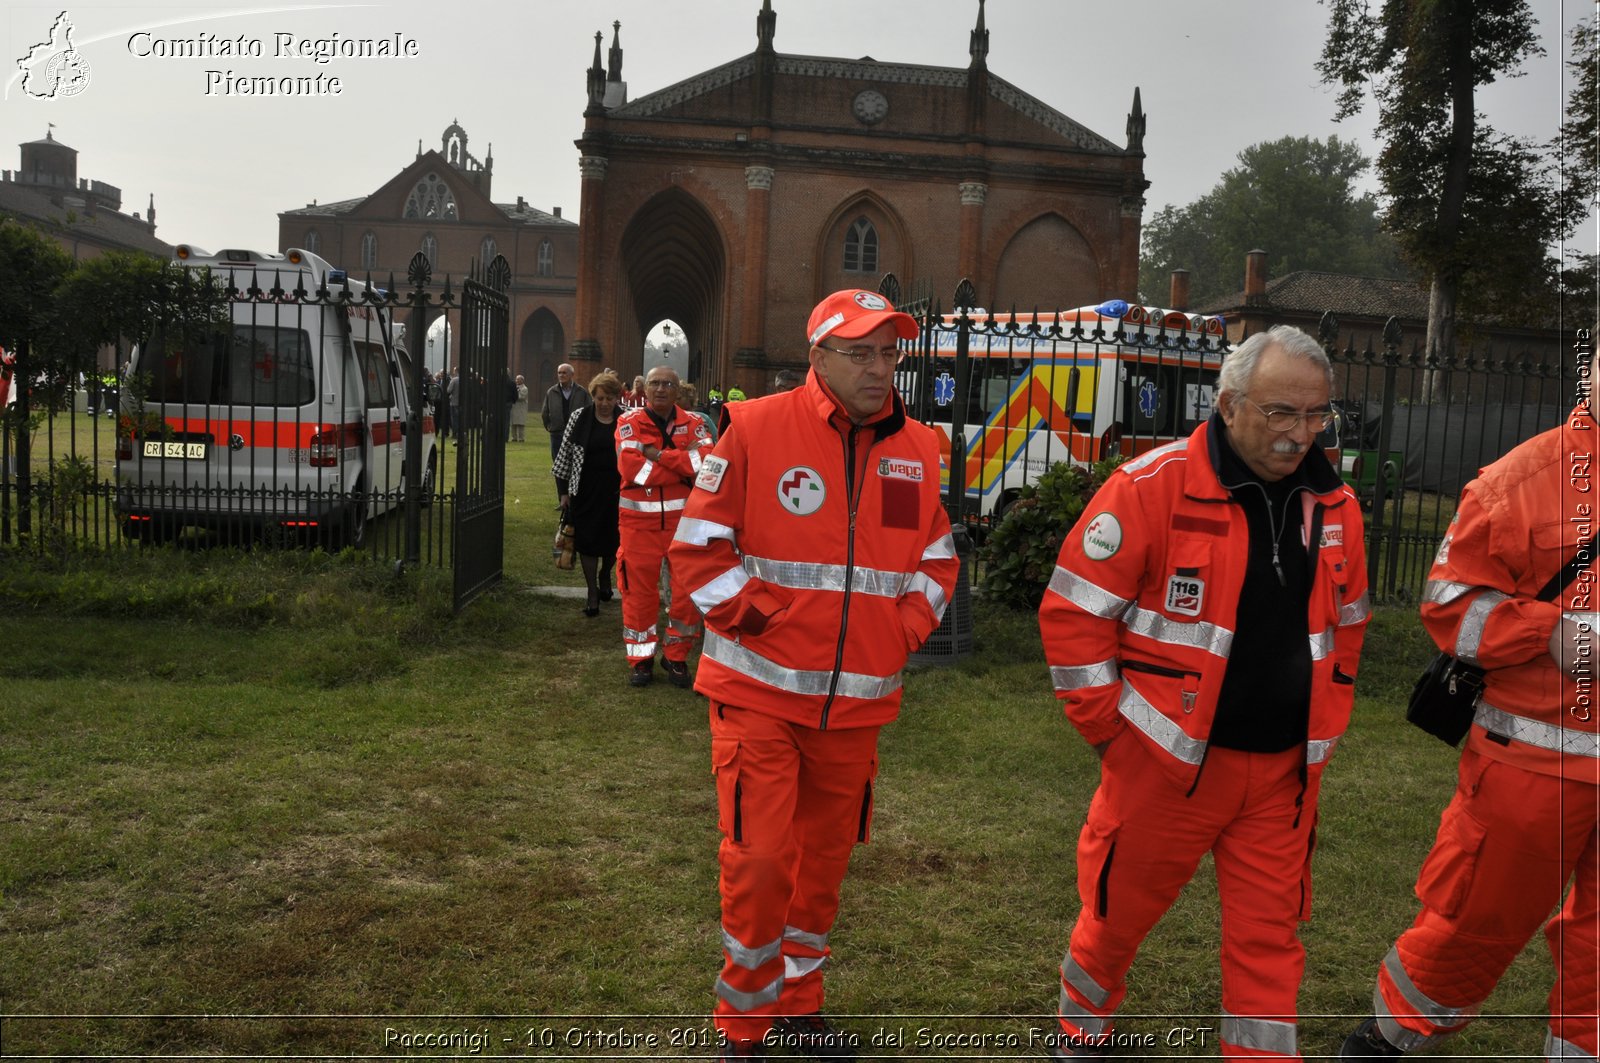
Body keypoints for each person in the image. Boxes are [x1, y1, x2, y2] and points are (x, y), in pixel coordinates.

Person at [1038, 324, 1370, 1060]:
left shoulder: (1337, 504)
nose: (1300, 435)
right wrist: (1113, 735)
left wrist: (1327, 719)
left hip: (1283, 775)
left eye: (1317, 415)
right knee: (1116, 912)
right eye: (1280, 413)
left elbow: (1349, 624)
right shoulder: (1150, 487)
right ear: (1228, 404)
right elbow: (1073, 614)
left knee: (1268, 941)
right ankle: (1080, 1035)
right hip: (1163, 763)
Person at [668, 289, 958, 1060]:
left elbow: (936, 558)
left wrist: (901, 631)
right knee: (761, 864)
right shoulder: (755, 428)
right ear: (818, 358)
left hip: (857, 706)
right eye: (860, 352)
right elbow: (699, 549)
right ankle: (743, 1029)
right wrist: (763, 620)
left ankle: (799, 1009)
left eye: (889, 352)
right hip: (756, 693)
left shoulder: (920, 448)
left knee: (821, 872)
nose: (878, 368)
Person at [1337, 360, 1599, 1060]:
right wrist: (1549, 632)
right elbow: (1450, 605)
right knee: (1478, 917)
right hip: (1536, 762)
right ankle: (1391, 1034)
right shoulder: (1522, 478)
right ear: (1593, 368)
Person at [616, 365, 713, 689]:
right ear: (645, 389)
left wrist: (656, 455)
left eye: (667, 384)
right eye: (655, 383)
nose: (660, 389)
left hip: (685, 525)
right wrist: (680, 465)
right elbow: (631, 469)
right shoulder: (628, 422)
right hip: (638, 526)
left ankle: (676, 657)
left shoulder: (696, 424)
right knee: (639, 594)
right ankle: (641, 660)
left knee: (686, 595)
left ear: (677, 389)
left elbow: (706, 466)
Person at [553, 372, 624, 617]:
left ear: (617, 398)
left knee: (615, 541)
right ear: (593, 396)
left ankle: (606, 574)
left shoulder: (626, 419)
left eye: (610, 398)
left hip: (617, 491)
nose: (605, 403)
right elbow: (564, 456)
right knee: (587, 542)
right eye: (600, 398)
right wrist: (563, 493)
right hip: (584, 490)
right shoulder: (579, 418)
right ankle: (592, 592)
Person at [541, 363, 591, 464]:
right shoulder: (551, 392)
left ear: (572, 375)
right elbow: (545, 412)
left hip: (576, 433)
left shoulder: (581, 392)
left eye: (564, 373)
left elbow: (589, 411)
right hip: (557, 433)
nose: (561, 375)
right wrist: (551, 427)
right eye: (559, 373)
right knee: (557, 463)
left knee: (575, 462)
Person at [510, 374, 530, 443]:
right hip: (514, 407)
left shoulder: (524, 388)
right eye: (516, 379)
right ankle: (514, 437)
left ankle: (521, 438)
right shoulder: (514, 387)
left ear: (522, 380)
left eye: (518, 379)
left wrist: (514, 395)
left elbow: (521, 397)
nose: (517, 380)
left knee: (520, 424)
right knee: (513, 424)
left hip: (521, 408)